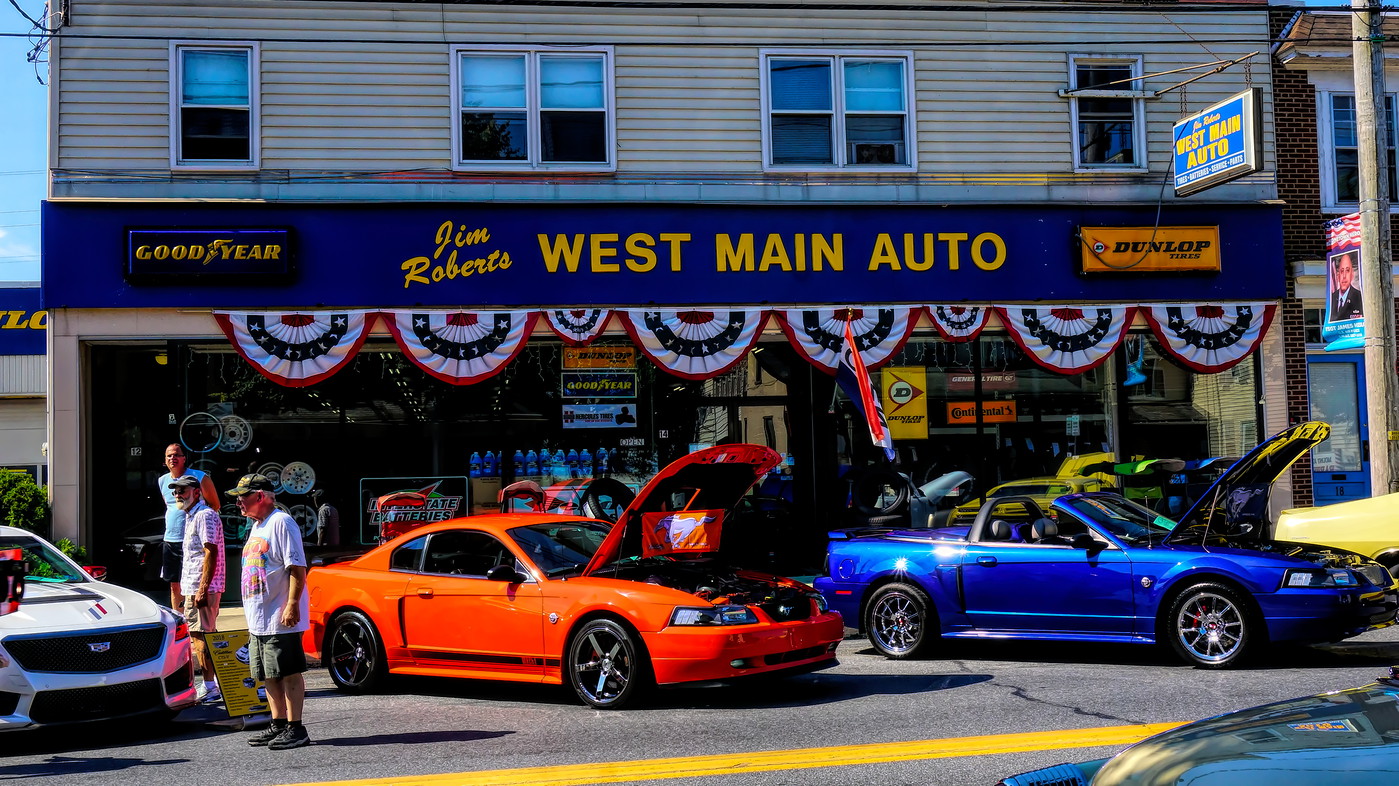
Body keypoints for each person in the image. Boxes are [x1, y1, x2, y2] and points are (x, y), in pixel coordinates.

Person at [230, 474, 311, 750]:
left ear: (260, 496)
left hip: (279, 615)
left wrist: (291, 605)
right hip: (259, 618)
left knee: (288, 672)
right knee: (268, 674)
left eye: (243, 496)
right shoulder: (257, 526)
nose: (239, 501)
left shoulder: (282, 523)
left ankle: (296, 728)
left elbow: (297, 568)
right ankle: (277, 724)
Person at [172, 474, 225, 704]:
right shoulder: (191, 517)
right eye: (175, 491)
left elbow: (210, 551)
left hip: (203, 586)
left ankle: (210, 686)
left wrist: (202, 589)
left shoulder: (204, 515)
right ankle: (211, 684)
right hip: (194, 585)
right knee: (200, 634)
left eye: (182, 490)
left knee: (201, 635)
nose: (178, 494)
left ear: (196, 492)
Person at [158, 443, 220, 610]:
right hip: (170, 539)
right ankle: (181, 624)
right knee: (175, 584)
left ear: (184, 458)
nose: (173, 458)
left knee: (194, 583)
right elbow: (172, 506)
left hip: (194, 541)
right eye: (169, 455)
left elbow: (214, 505)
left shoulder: (199, 477)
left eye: (177, 455)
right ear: (165, 460)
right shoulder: (162, 481)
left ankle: (197, 619)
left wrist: (198, 525)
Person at [1329, 251, 1363, 322]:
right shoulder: (1331, 298)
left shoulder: (1360, 298)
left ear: (1352, 275)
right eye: (1341, 271)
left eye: (1347, 271)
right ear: (1338, 275)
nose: (1344, 276)